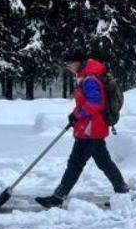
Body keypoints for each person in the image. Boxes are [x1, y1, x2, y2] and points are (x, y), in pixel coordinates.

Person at [35, 50, 129, 208]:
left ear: (78, 62)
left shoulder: (89, 79)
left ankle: (58, 198)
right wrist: (75, 115)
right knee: (103, 162)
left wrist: (77, 114)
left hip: (90, 129)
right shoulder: (85, 77)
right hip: (91, 127)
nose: (67, 67)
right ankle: (122, 192)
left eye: (69, 63)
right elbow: (87, 103)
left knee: (75, 163)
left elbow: (95, 103)